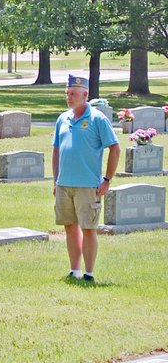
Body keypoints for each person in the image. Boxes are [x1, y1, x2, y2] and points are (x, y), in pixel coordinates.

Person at [52, 75, 120, 283]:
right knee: (69, 226)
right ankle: (75, 270)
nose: (69, 97)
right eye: (67, 93)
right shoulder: (62, 119)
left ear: (85, 95)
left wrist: (107, 179)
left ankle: (89, 273)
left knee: (88, 228)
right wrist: (55, 180)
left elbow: (115, 149)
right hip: (64, 184)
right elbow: (56, 151)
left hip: (88, 185)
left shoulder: (98, 119)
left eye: (73, 94)